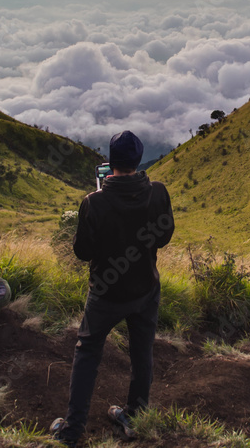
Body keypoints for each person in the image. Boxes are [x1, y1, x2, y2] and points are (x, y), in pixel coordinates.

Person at [51, 130, 175, 447]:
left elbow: (83, 252)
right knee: (141, 352)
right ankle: (134, 418)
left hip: (106, 293)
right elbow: (162, 237)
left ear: (111, 162)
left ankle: (72, 430)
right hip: (145, 288)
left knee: (88, 353)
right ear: (138, 160)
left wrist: (98, 205)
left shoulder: (94, 202)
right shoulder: (158, 192)